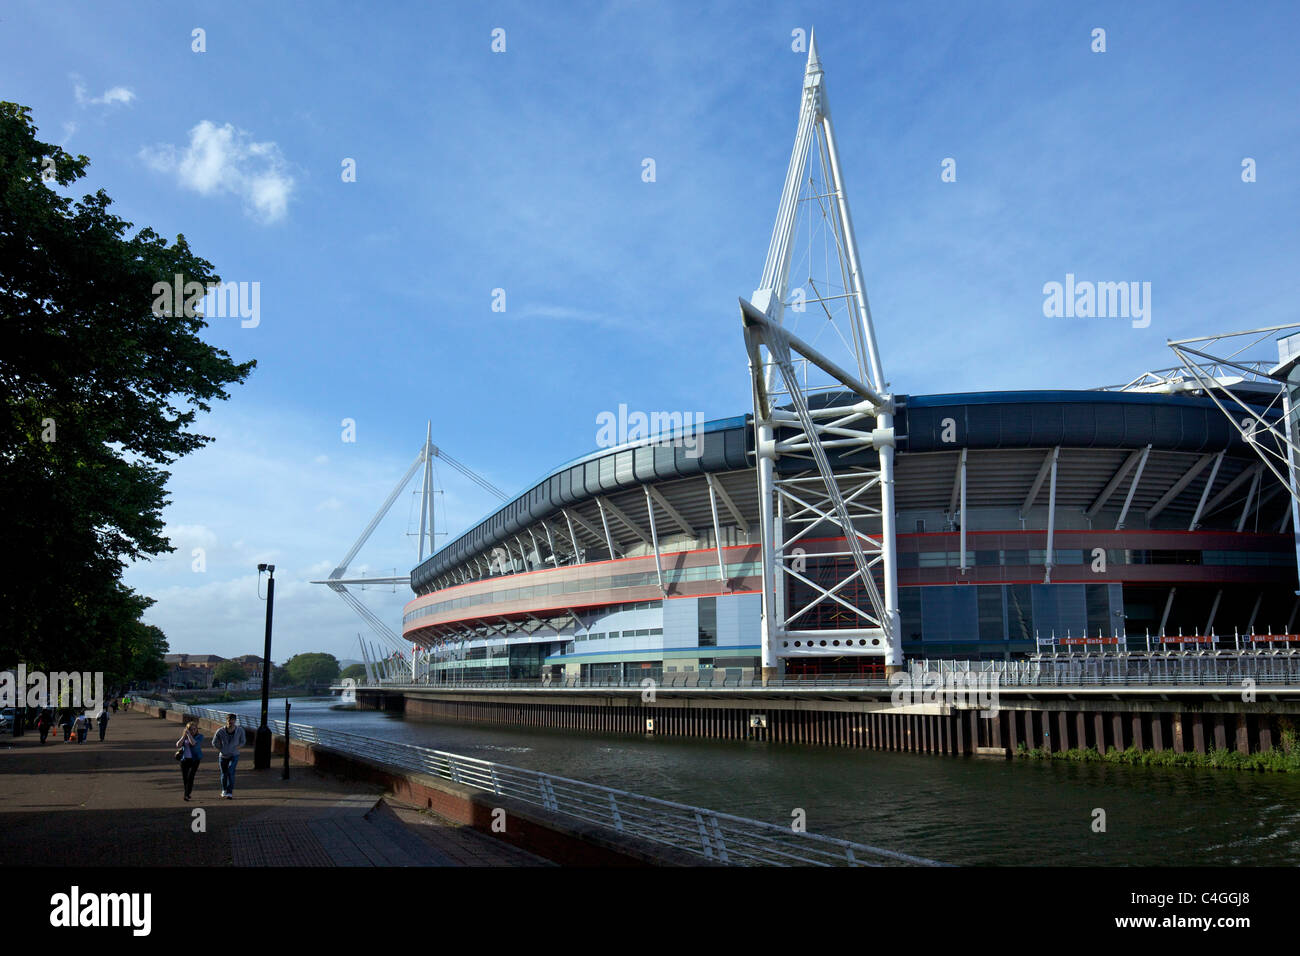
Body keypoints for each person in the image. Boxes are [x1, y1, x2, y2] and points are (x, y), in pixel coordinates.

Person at [211, 713, 247, 799]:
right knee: (224, 774)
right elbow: (214, 742)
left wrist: (237, 747)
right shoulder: (220, 731)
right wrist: (222, 749)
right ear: (226, 721)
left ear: (235, 721)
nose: (231, 723)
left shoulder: (240, 730)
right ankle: (224, 790)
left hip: (234, 755)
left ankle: (230, 792)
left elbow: (243, 741)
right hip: (223, 756)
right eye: (229, 721)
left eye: (232, 721)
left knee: (231, 772)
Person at [177, 722, 204, 801]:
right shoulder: (184, 736)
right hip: (184, 760)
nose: (192, 731)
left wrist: (188, 735)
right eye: (190, 729)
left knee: (190, 777)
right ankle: (187, 793)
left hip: (195, 760)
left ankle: (186, 794)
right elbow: (178, 745)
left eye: (194, 729)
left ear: (197, 729)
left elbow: (193, 743)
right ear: (187, 729)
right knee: (185, 778)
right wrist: (184, 736)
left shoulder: (200, 736)